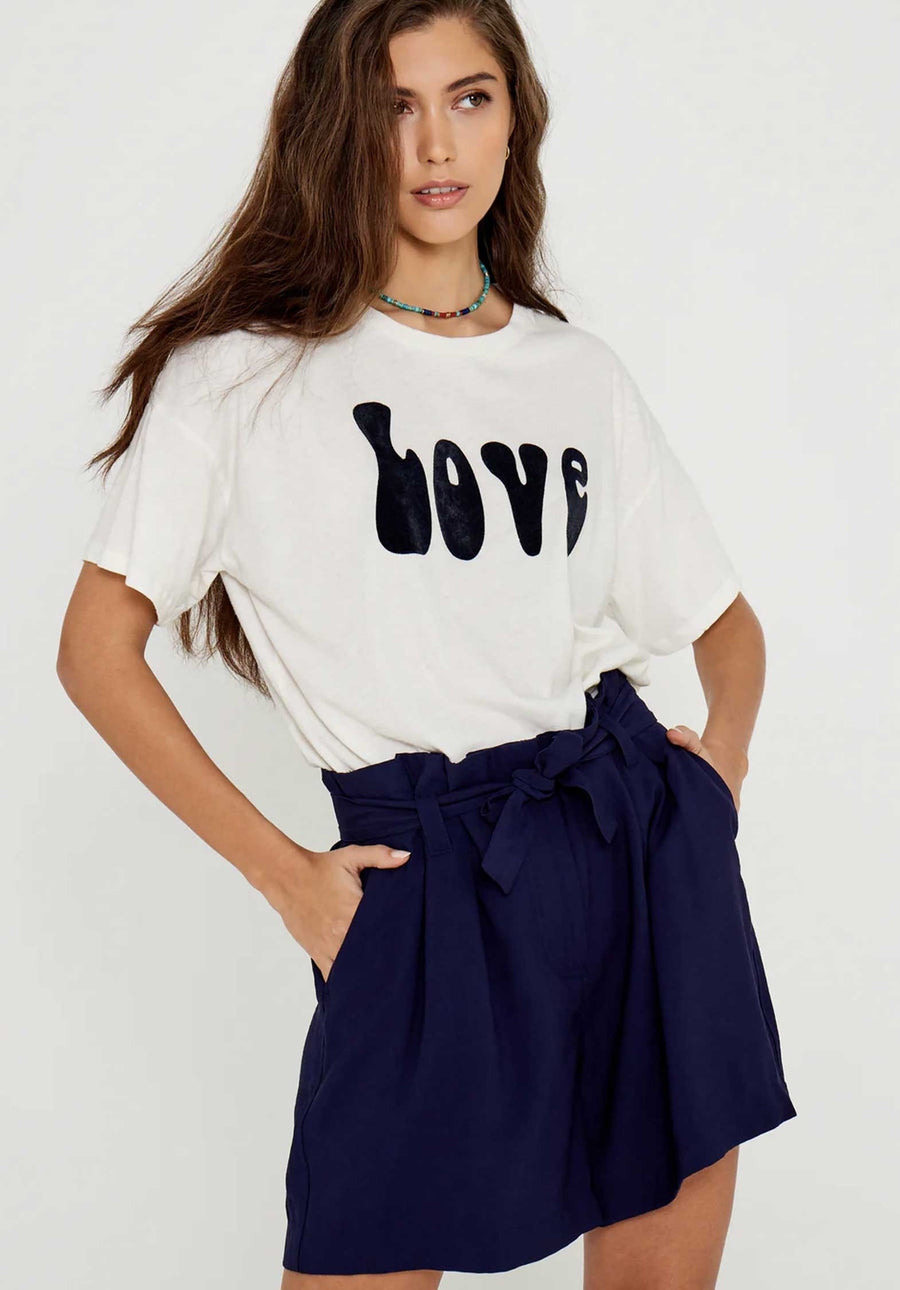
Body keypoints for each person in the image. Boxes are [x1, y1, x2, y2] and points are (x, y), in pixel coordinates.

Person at [57, 1, 797, 1286]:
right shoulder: (242, 377)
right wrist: (289, 878)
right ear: (337, 129)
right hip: (426, 877)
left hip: (631, 837)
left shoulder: (576, 372)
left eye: (470, 98)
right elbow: (93, 651)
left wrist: (717, 775)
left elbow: (725, 623)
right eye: (393, 106)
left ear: (516, 120)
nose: (435, 145)